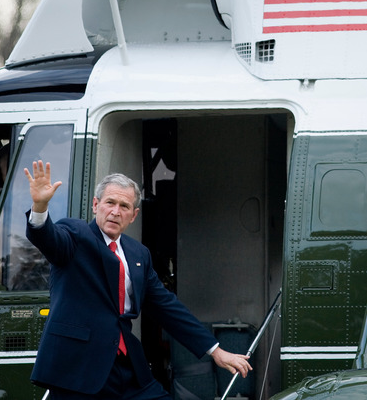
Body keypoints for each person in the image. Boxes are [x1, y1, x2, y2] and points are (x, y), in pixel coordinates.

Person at [24, 160, 252, 399]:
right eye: (110, 202)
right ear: (95, 205)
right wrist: (40, 207)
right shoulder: (75, 234)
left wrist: (216, 351)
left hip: (127, 367)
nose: (115, 211)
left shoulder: (138, 253)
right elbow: (48, 239)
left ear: (133, 216)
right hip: (79, 369)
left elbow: (166, 306)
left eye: (124, 206)